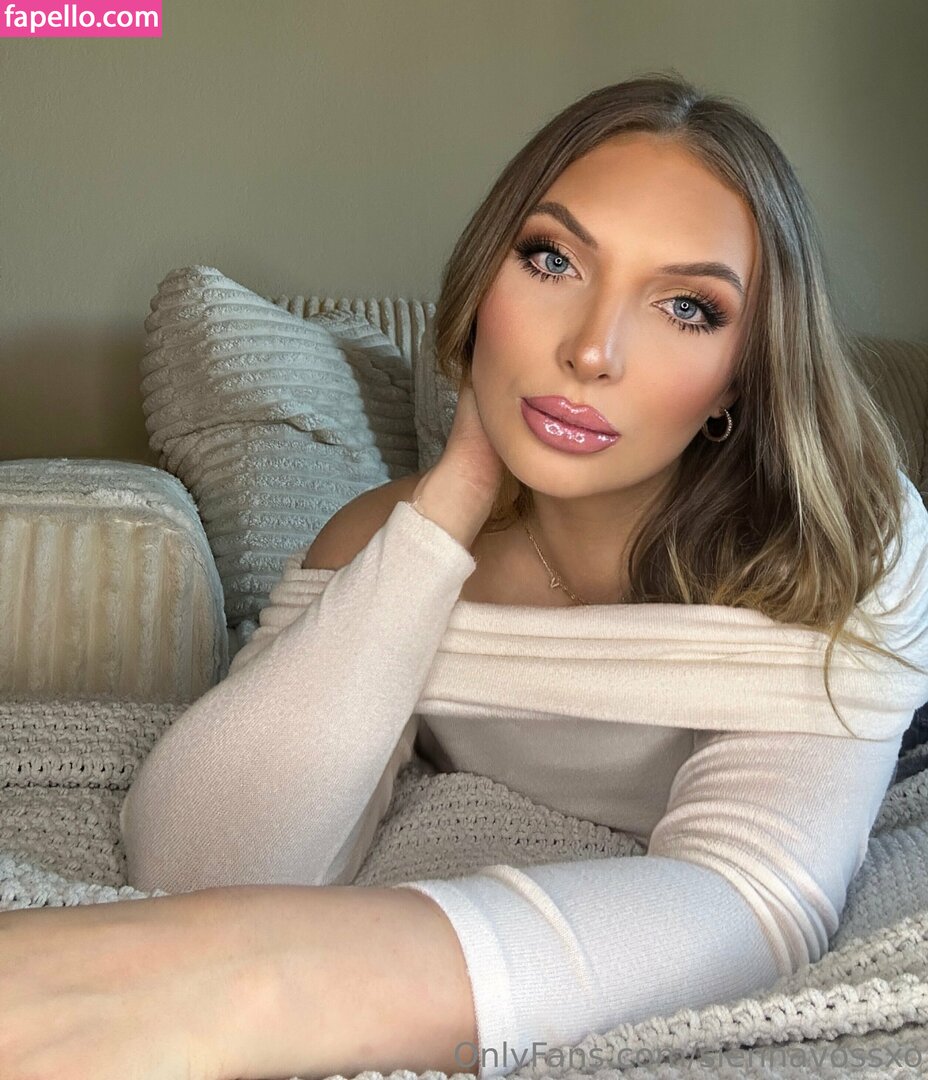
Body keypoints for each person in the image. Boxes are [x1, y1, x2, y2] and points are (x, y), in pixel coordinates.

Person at [3, 70, 927, 1080]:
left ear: (739, 378)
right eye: (551, 259)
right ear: (486, 277)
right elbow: (199, 862)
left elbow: (751, 900)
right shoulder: (382, 541)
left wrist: (253, 986)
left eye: (687, 307)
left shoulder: (847, 540)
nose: (591, 350)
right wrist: (451, 501)